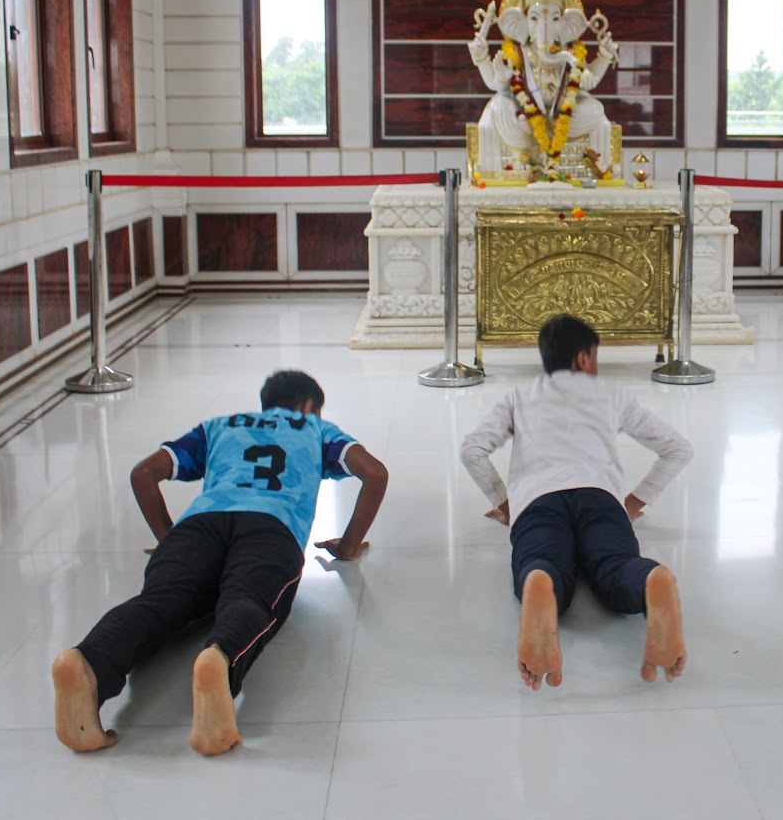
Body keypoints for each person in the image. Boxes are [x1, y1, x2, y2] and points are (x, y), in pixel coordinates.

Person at [51, 369, 389, 755]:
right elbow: (375, 473)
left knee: (160, 600)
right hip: (271, 527)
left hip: (199, 525)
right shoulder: (317, 429)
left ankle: (87, 661)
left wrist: (168, 541)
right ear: (309, 406)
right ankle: (220, 660)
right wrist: (347, 546)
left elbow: (143, 474)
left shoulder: (218, 427)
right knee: (250, 600)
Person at [461, 314, 691, 689]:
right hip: (600, 497)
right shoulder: (612, 395)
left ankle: (539, 580)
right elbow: (678, 449)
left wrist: (507, 505)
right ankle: (651, 578)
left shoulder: (519, 396)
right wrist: (632, 503)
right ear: (583, 359)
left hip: (538, 501)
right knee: (616, 566)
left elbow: (472, 449)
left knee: (542, 561)